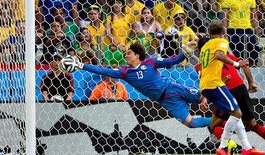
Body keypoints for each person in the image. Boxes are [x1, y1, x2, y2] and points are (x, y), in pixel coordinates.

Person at [74, 42, 211, 129]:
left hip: (172, 88)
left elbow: (172, 60)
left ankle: (228, 114)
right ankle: (220, 122)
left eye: (129, 53)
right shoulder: (125, 72)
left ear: (137, 55)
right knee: (191, 124)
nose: (126, 56)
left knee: (207, 96)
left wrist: (185, 52)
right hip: (166, 100)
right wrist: (81, 65)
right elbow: (103, 70)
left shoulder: (151, 62)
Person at [196, 37, 265, 155]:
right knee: (251, 123)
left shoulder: (202, 63)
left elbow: (206, 81)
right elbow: (244, 65)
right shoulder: (227, 55)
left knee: (215, 124)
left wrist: (204, 98)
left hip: (225, 90)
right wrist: (250, 82)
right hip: (241, 88)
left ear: (200, 50)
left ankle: (228, 144)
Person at [199, 20, 265, 155]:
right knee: (237, 114)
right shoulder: (221, 42)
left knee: (235, 114)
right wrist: (236, 64)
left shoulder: (205, 47)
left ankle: (247, 148)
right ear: (223, 32)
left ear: (209, 33)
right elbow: (219, 55)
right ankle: (222, 147)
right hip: (214, 84)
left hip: (207, 84)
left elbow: (207, 67)